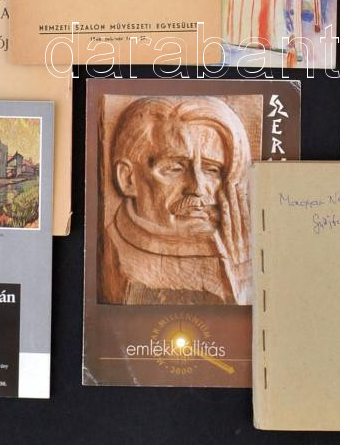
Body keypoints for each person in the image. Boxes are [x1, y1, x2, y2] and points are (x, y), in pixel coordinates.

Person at [100, 96, 253, 306]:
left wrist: (244, 276)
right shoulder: (111, 251)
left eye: (212, 170)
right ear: (127, 178)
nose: (197, 189)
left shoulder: (237, 252)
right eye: (174, 168)